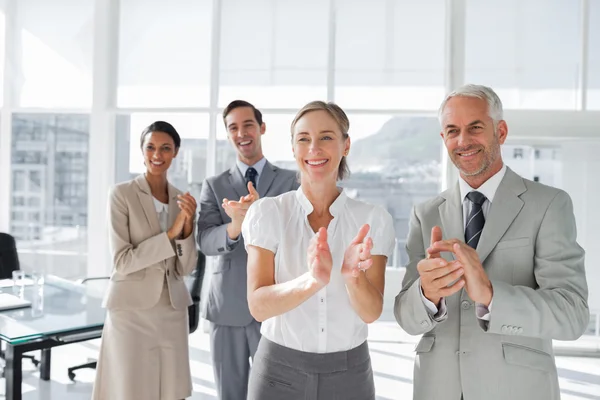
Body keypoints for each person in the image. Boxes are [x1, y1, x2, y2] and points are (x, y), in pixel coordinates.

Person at [394, 84, 589, 400]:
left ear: (501, 131)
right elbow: (405, 315)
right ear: (443, 139)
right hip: (436, 389)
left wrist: (490, 295)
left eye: (475, 128)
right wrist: (426, 295)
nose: (463, 140)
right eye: (452, 131)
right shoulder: (426, 214)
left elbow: (572, 314)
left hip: (516, 390)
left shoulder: (549, 204)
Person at [242, 101, 395, 400]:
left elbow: (371, 312)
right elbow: (258, 306)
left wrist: (353, 278)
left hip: (350, 374)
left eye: (326, 137)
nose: (314, 148)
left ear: (345, 145)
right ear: (293, 147)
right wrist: (312, 280)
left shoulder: (372, 219)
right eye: (303, 139)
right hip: (278, 373)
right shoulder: (268, 212)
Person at [197, 100, 298, 399]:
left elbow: (297, 234)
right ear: (228, 134)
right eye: (233, 128)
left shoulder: (290, 181)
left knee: (277, 393)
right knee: (230, 393)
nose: (242, 133)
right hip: (227, 307)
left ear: (262, 128)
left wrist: (265, 220)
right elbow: (204, 240)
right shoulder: (214, 185)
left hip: (275, 305)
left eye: (248, 125)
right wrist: (235, 226)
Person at [92, 121, 198, 400]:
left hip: (172, 311)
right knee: (130, 389)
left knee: (171, 391)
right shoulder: (121, 194)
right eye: (150, 147)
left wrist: (187, 229)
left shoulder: (181, 200)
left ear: (175, 152)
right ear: (141, 151)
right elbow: (123, 261)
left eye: (165, 148)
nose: (157, 154)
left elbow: (185, 268)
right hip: (130, 311)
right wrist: (172, 233)